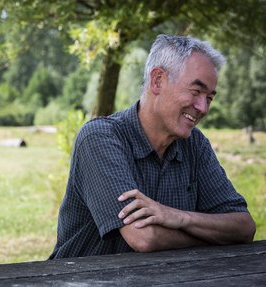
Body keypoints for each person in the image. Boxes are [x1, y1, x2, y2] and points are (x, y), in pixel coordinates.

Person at [49, 34, 256, 259]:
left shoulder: (195, 145)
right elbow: (144, 237)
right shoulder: (100, 138)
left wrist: (178, 217)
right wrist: (210, 236)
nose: (203, 108)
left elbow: (244, 226)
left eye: (209, 98)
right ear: (157, 80)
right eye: (196, 92)